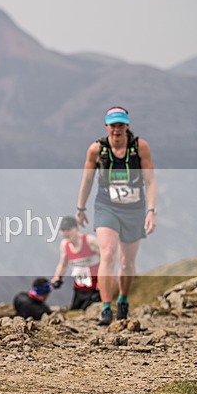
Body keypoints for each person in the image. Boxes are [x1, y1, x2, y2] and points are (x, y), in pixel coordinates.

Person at [75, 106, 156, 325]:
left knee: (127, 261)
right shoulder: (96, 150)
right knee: (108, 253)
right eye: (113, 125)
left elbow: (150, 180)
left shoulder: (140, 147)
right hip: (106, 206)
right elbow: (88, 180)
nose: (116, 130)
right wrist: (80, 208)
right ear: (106, 126)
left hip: (134, 208)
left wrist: (151, 211)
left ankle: (123, 299)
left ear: (127, 125)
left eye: (120, 125)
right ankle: (106, 307)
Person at [51, 215, 101, 310]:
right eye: (63, 230)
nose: (66, 233)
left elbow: (106, 259)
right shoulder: (65, 245)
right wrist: (57, 278)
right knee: (75, 311)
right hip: (79, 288)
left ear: (76, 229)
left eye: (68, 230)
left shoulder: (90, 241)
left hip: (96, 288)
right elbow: (63, 264)